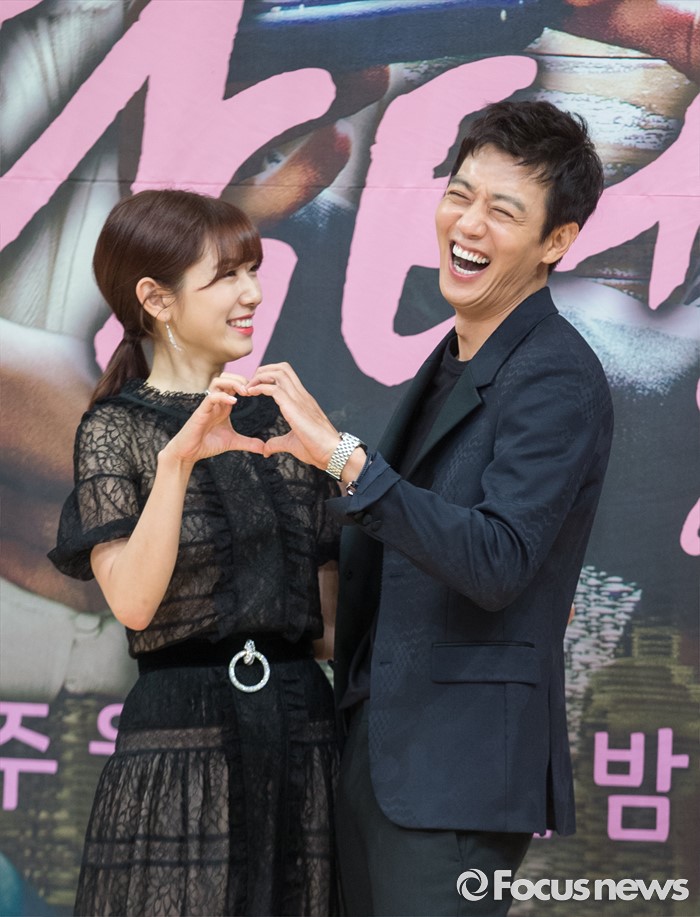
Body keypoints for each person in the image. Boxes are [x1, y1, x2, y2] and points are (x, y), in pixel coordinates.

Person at [243, 100, 614, 916]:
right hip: (380, 752)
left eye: (503, 210)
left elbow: (497, 559)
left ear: (557, 240)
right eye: (459, 193)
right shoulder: (454, 358)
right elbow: (401, 538)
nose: (468, 224)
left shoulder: (554, 373)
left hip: (455, 772)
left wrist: (344, 457)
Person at [48, 189, 340, 917]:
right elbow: (134, 603)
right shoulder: (114, 430)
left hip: (303, 732)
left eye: (253, 271)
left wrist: (335, 457)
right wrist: (177, 462)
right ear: (157, 299)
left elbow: (331, 624)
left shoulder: (285, 421)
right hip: (179, 743)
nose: (253, 294)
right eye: (227, 276)